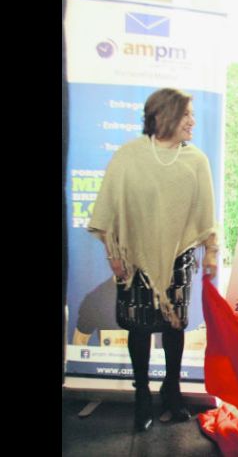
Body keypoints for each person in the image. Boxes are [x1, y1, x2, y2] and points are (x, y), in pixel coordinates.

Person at [88, 88, 219, 432]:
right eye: (186, 114)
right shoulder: (128, 156)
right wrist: (114, 254)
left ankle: (171, 391)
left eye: (192, 114)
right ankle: (143, 396)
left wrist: (211, 251)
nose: (192, 121)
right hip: (134, 260)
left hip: (178, 256)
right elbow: (110, 209)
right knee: (139, 327)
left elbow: (205, 214)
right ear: (163, 116)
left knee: (174, 326)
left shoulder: (196, 160)